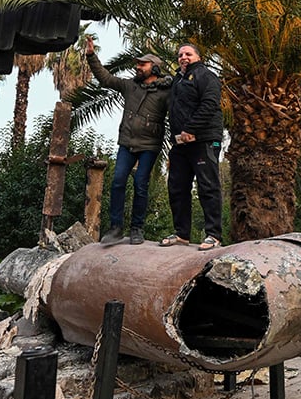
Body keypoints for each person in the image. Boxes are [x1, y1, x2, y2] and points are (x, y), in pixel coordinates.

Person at [84, 39, 173, 246]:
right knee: (118, 181)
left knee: (141, 184)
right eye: (137, 64)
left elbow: (178, 112)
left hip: (149, 145)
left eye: (143, 64)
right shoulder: (130, 86)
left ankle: (137, 229)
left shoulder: (166, 91)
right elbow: (105, 78)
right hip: (127, 143)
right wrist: (91, 56)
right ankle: (115, 228)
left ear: (155, 68)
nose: (138, 67)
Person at [160, 43, 224, 251]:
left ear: (198, 56)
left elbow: (210, 104)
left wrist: (191, 129)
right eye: (180, 55)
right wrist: (176, 135)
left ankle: (213, 235)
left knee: (207, 186)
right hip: (180, 142)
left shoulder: (206, 75)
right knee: (177, 187)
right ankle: (181, 234)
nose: (183, 57)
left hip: (203, 140)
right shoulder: (177, 80)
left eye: (188, 54)